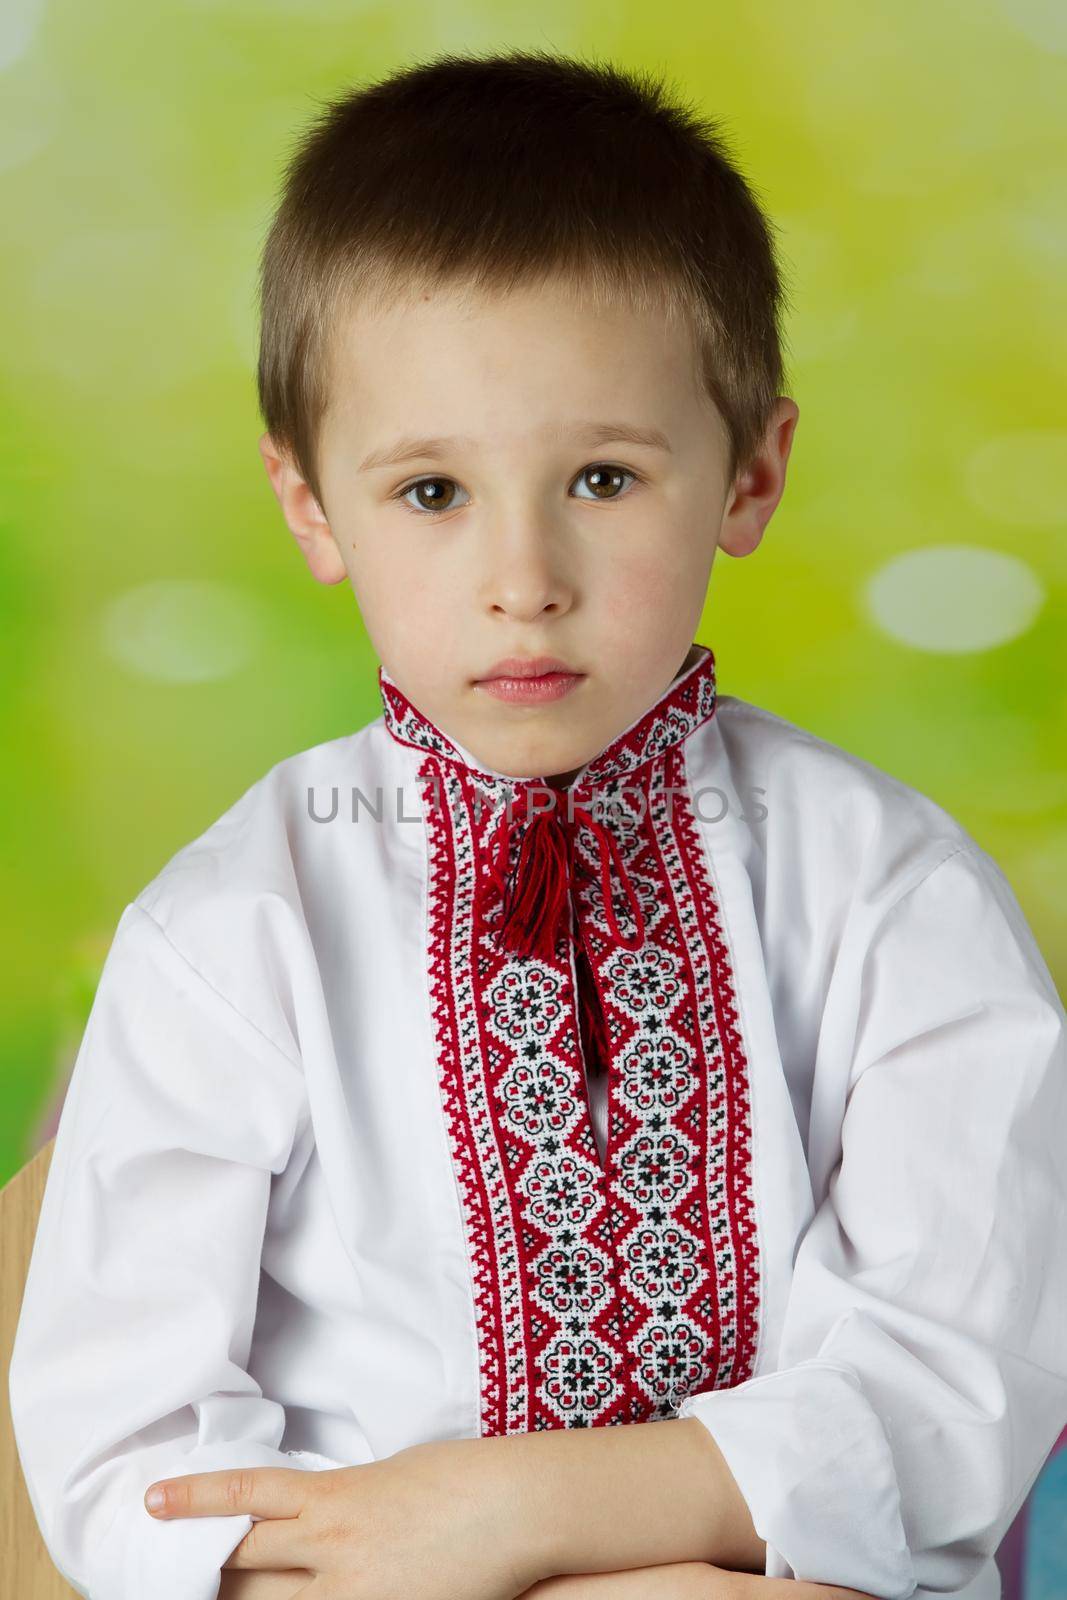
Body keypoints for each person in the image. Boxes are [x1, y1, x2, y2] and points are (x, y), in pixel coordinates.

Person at [9, 47, 1067, 1600]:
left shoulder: (889, 892)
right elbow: (124, 1452)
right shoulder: (238, 927)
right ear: (311, 507)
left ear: (749, 476)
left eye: (601, 477)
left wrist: (528, 1516)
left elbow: (968, 1382)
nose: (525, 577)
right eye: (431, 492)